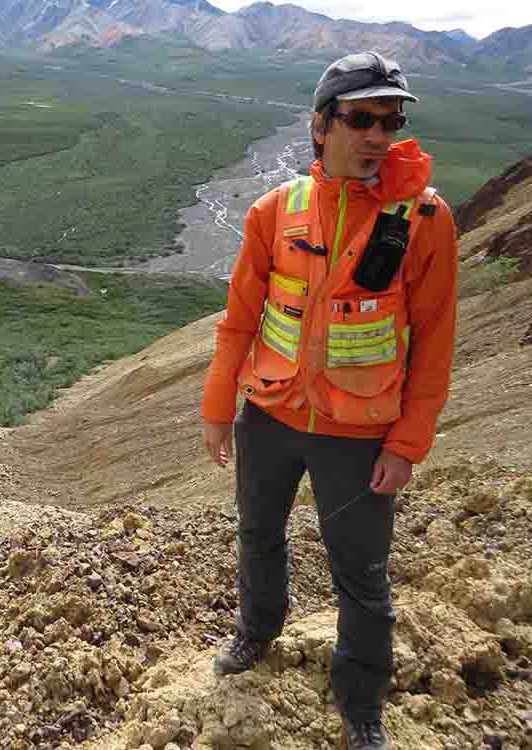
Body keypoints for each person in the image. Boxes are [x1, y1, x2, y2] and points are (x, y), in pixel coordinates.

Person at [200, 51, 458, 750]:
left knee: (362, 576)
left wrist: (408, 444)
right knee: (258, 536)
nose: (379, 135)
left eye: (391, 120)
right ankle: (257, 631)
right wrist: (220, 406)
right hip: (272, 419)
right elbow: (239, 320)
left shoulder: (425, 220)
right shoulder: (273, 212)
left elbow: (434, 341)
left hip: (360, 433)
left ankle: (361, 702)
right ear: (321, 126)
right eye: (361, 118)